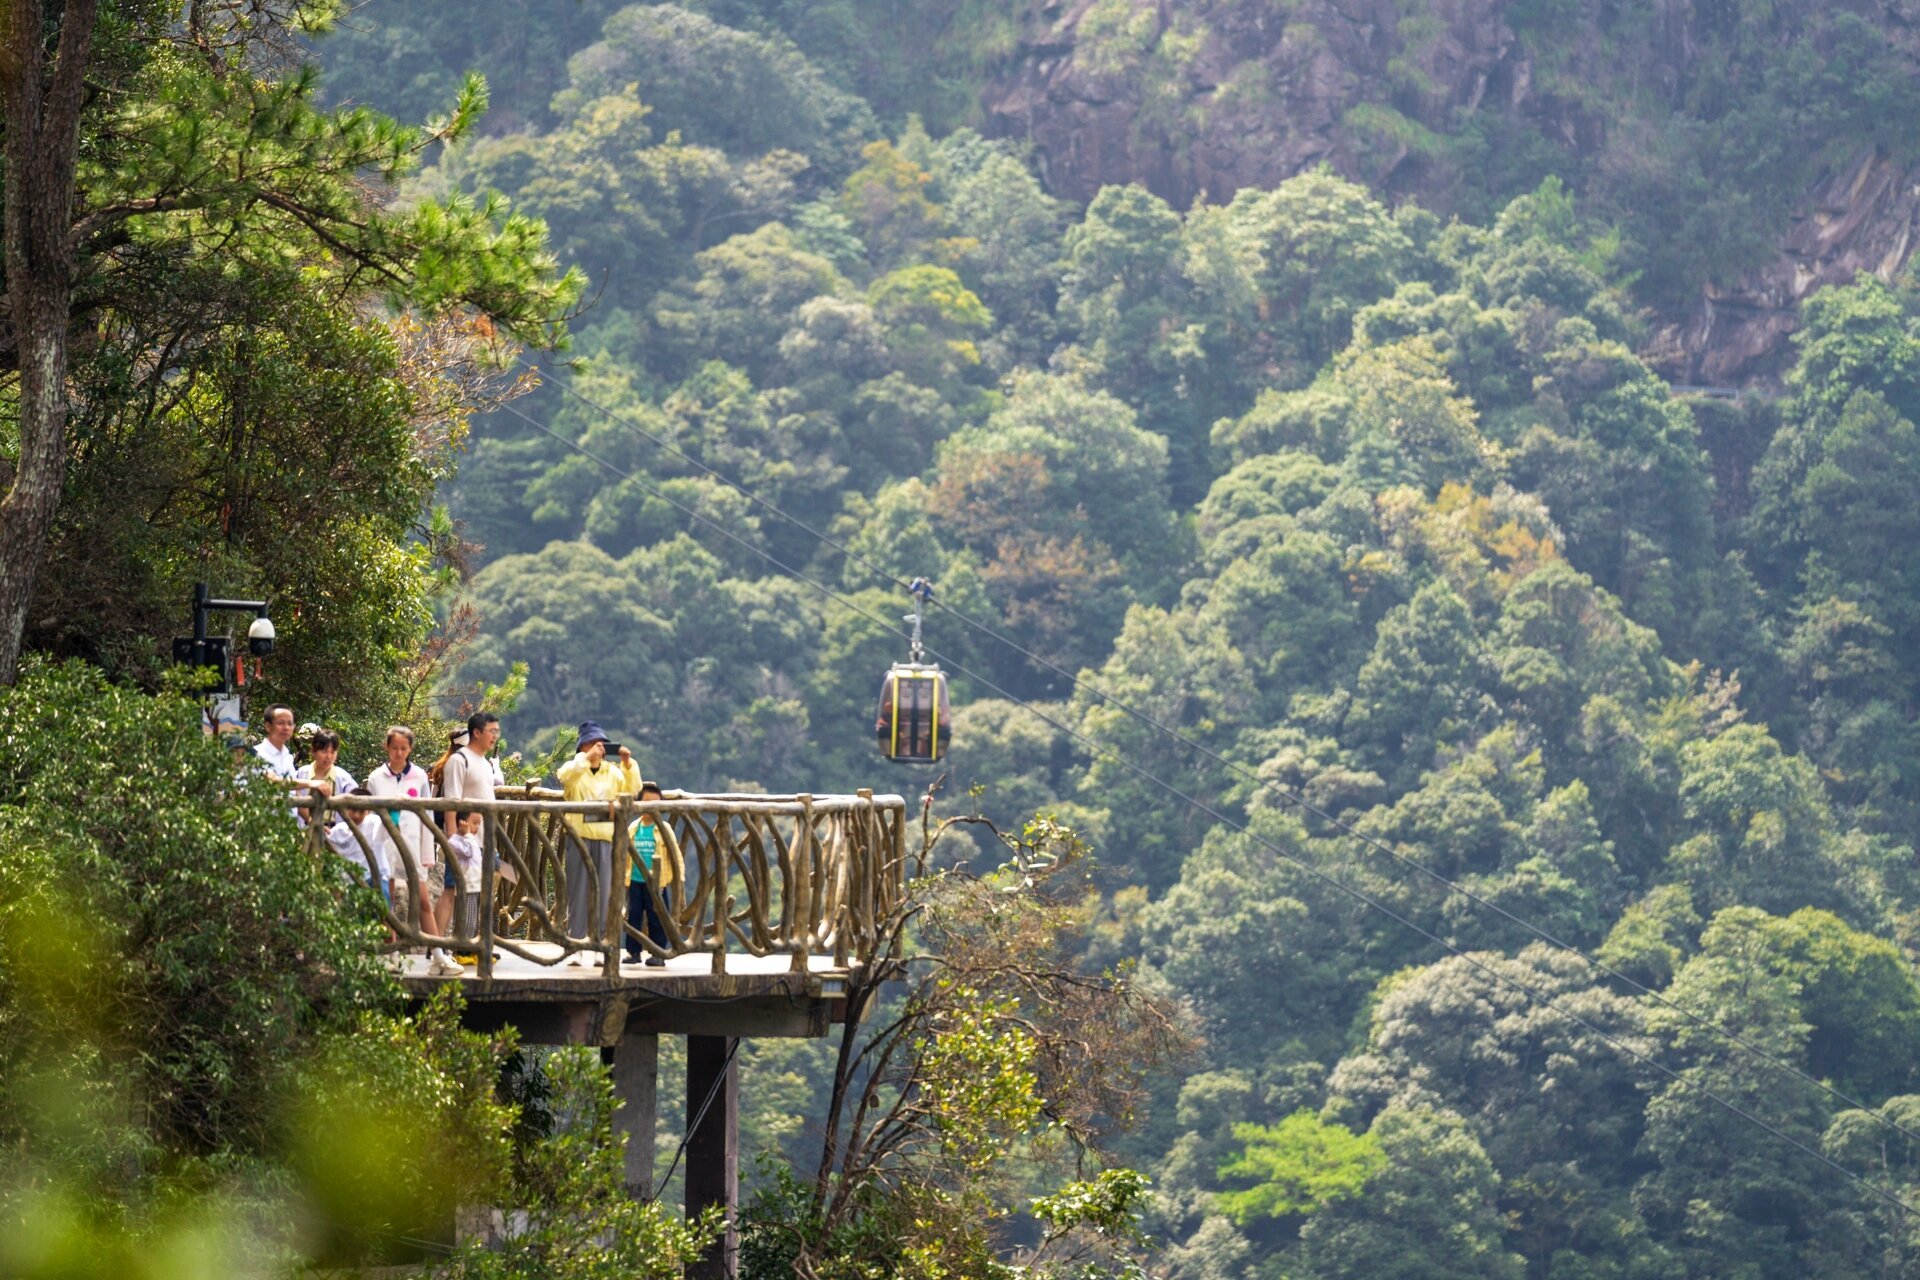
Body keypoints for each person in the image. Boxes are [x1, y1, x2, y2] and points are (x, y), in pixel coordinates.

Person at [366, 724, 458, 977]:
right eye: (394, 747)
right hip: (384, 846)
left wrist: (428, 852)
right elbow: (371, 817)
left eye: (403, 748)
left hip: (413, 845)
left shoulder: (418, 776)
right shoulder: (376, 778)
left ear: (410, 749)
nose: (398, 753)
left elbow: (427, 815)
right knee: (388, 901)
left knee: (424, 901)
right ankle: (391, 954)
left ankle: (438, 956)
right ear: (386, 747)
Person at [556, 721, 640, 965]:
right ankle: (577, 946)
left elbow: (633, 790)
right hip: (579, 836)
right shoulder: (575, 770)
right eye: (593, 743)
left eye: (601, 744)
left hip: (605, 837)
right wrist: (585, 759)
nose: (598, 748)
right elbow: (564, 776)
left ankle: (602, 945)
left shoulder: (613, 772)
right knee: (578, 893)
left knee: (604, 893)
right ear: (583, 746)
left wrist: (628, 764)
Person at [626, 781, 674, 967]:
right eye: (646, 803)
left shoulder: (664, 828)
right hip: (635, 879)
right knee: (634, 916)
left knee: (657, 918)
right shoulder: (633, 827)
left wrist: (679, 876)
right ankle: (634, 952)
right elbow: (625, 852)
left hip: (657, 881)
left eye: (656, 803)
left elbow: (675, 854)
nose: (651, 807)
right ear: (638, 804)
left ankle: (658, 953)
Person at [445, 811, 484, 953]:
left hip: (475, 885)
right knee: (466, 919)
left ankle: (469, 945)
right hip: (466, 886)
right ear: (462, 823)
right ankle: (462, 947)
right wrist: (467, 834)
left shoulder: (470, 839)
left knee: (473, 918)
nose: (477, 827)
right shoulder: (455, 841)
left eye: (479, 824)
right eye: (474, 823)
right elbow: (468, 853)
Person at [253, 705, 296, 779]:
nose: (286, 728)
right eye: (280, 723)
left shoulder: (288, 756)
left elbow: (294, 789)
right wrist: (311, 783)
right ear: (268, 726)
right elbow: (273, 781)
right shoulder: (255, 753)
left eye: (290, 723)